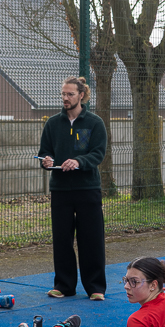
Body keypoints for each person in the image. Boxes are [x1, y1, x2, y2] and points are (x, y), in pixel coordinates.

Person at [38, 76, 108, 301]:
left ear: (81, 95)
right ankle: (64, 285)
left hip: (88, 189)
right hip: (60, 190)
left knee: (91, 238)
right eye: (63, 94)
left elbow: (98, 153)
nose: (65, 98)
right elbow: (44, 152)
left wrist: (78, 162)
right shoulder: (52, 124)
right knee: (61, 239)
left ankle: (95, 287)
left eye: (69, 94)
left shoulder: (95, 123)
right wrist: (46, 161)